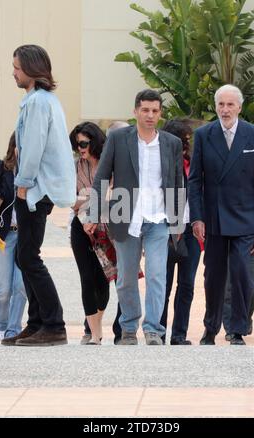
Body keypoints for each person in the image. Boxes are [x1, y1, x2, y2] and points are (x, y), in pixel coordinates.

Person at [84, 89, 183, 345]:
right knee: (126, 278)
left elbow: (177, 182)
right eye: (145, 110)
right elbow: (102, 177)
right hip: (125, 216)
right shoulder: (119, 138)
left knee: (156, 276)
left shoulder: (172, 143)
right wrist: (94, 213)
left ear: (160, 113)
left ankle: (153, 329)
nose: (150, 115)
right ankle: (128, 327)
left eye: (155, 111)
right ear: (135, 111)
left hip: (159, 220)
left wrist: (178, 219)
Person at [2, 44, 76, 347]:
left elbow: (32, 146)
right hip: (40, 187)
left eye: (17, 67)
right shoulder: (43, 100)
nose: (13, 72)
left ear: (31, 69)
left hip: (35, 187)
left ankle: (54, 324)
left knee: (28, 257)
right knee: (25, 255)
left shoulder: (37, 103)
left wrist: (23, 181)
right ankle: (36, 324)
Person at [188, 84, 254, 346]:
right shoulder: (203, 135)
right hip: (213, 218)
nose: (225, 110)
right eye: (221, 105)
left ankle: (236, 328)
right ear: (216, 107)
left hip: (245, 216)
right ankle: (210, 327)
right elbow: (194, 181)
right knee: (213, 275)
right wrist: (197, 217)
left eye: (230, 105)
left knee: (241, 274)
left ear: (240, 107)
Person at [81, 120, 129, 345]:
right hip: (98, 226)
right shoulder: (107, 160)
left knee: (124, 278)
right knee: (96, 278)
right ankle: (91, 328)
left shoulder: (132, 159)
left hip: (125, 224)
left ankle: (121, 330)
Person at [160, 118, 201, 345]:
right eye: (182, 140)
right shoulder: (161, 165)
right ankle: (158, 331)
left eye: (187, 140)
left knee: (186, 285)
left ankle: (179, 335)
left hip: (190, 231)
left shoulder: (193, 163)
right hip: (165, 230)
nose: (186, 145)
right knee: (163, 285)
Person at [0, 133, 27, 340]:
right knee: (5, 288)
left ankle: (13, 329)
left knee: (21, 285)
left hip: (26, 236)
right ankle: (1, 323)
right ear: (14, 146)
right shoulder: (0, 167)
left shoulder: (35, 172)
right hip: (2, 234)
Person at [70, 122, 110, 345]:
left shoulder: (109, 163)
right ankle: (95, 334)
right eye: (76, 145)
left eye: (83, 143)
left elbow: (113, 197)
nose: (80, 148)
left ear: (94, 141)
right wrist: (91, 201)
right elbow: (70, 199)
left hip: (105, 227)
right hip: (80, 225)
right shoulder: (75, 167)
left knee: (102, 278)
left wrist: (87, 200)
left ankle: (97, 322)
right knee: (86, 277)